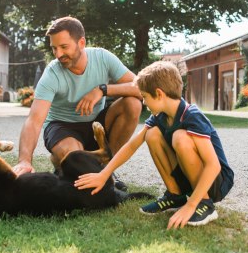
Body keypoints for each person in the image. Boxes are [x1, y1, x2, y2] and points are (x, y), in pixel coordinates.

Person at [74, 61, 235, 229]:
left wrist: (191, 205)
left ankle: (205, 203)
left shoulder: (192, 116)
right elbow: (131, 146)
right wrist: (104, 174)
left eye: (144, 97)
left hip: (216, 182)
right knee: (152, 134)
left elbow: (213, 165)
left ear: (159, 94)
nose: (143, 102)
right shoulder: (160, 116)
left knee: (180, 137)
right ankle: (175, 195)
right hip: (192, 178)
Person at [13, 17, 142, 178]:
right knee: (75, 158)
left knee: (133, 104)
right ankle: (62, 159)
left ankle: (107, 170)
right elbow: (34, 121)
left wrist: (103, 89)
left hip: (96, 124)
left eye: (64, 47)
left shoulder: (103, 58)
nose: (58, 54)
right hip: (62, 126)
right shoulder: (52, 74)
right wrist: (24, 160)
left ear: (81, 43)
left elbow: (141, 88)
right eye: (54, 48)